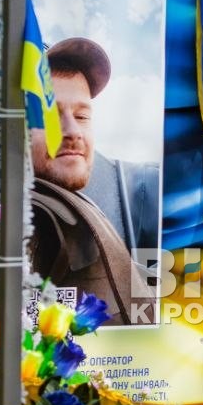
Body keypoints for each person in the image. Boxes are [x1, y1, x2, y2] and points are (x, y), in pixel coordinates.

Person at [28, 37, 158, 326]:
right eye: (50, 115)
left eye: (82, 115)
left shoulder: (91, 204)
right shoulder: (23, 216)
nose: (73, 131)